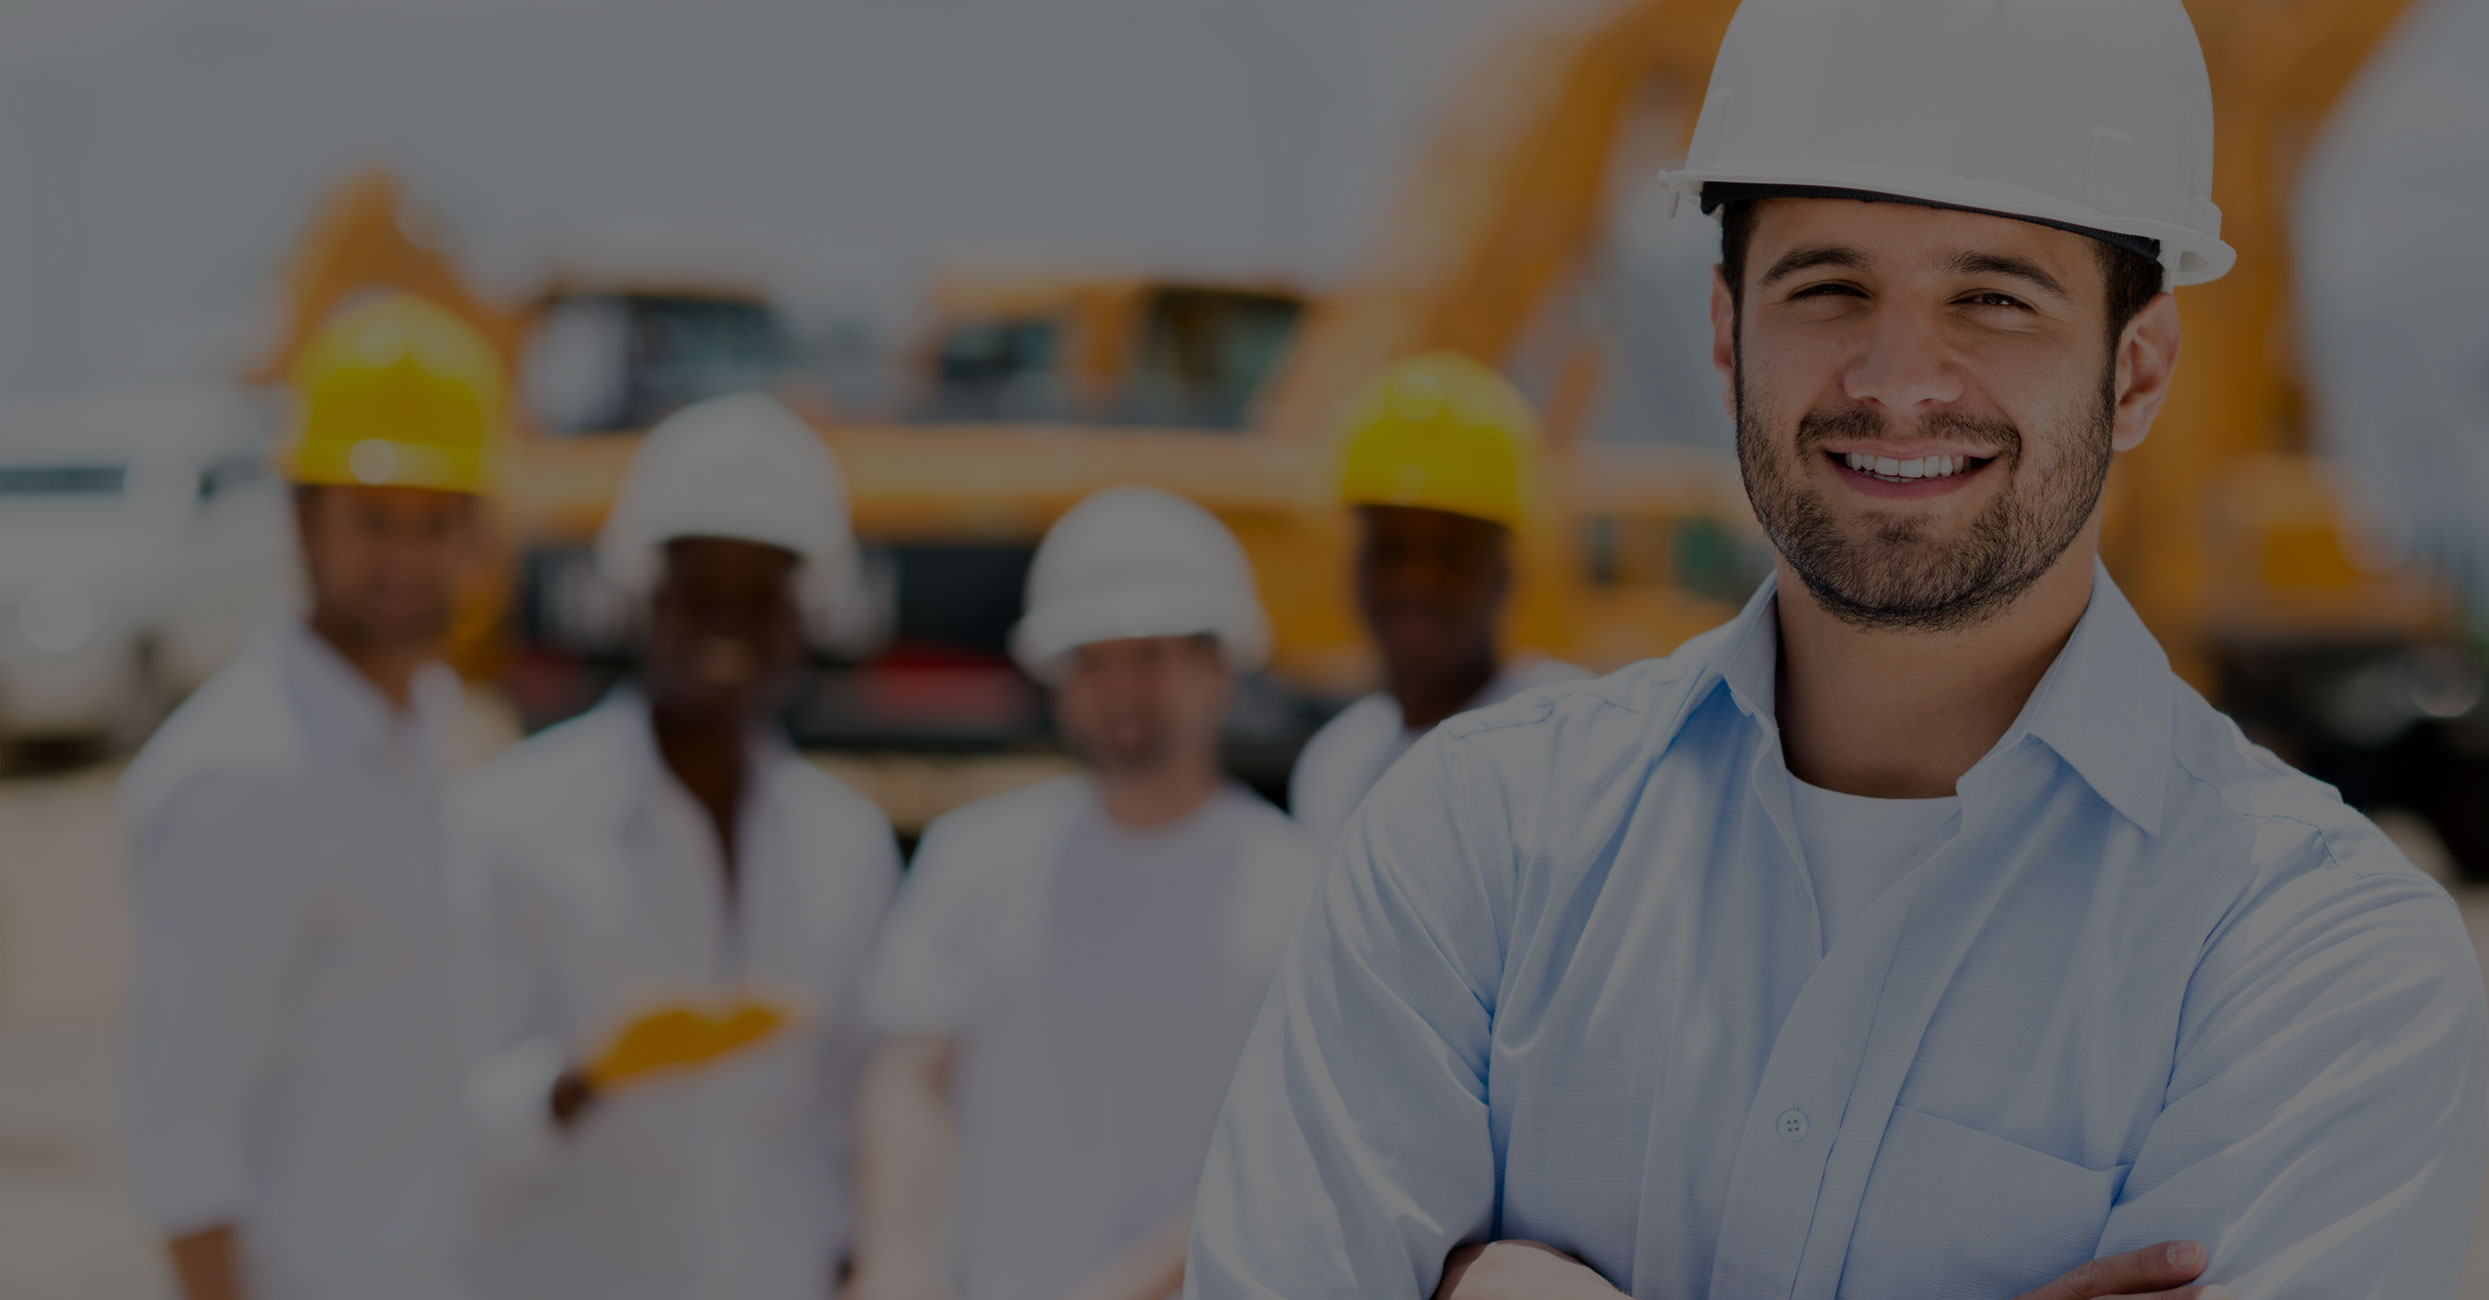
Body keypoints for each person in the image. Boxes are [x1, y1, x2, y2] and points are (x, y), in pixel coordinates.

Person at [1186, 2, 2489, 1298]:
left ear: (2137, 371)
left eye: (1993, 297)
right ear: (1724, 334)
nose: (1898, 377)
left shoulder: (2317, 957)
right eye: (1828, 287)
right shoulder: (1468, 843)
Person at [453, 392, 899, 1300]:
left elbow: (862, 1118)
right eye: (701, 591)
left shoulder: (845, 848)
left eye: (760, 593)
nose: (728, 623)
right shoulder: (512, 821)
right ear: (644, 598)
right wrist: (581, 1077)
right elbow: (436, 1133)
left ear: (802, 616)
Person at [120, 293, 501, 1300]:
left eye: (434, 521)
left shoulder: (421, 732)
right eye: (374, 519)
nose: (406, 557)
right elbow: (182, 1139)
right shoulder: (244, 772)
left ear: (472, 533)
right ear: (303, 517)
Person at [852, 485, 1322, 1300]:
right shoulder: (974, 858)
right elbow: (911, 1075)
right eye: (1093, 660)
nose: (1119, 687)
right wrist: (895, 1256)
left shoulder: (1300, 890)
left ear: (1217, 667)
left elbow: (1288, 1154)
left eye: (1149, 655)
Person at [1288, 352, 1585, 848]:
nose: (1416, 579)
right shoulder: (1337, 763)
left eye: (1451, 551)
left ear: (1508, 567)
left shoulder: (1569, 739)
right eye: (1393, 545)